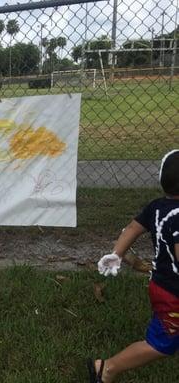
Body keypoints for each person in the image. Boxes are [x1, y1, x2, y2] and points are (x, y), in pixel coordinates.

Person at [89, 149, 179, 382]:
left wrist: (116, 254)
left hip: (161, 284)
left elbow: (132, 229)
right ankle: (107, 368)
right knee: (162, 344)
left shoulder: (156, 206)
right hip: (173, 293)